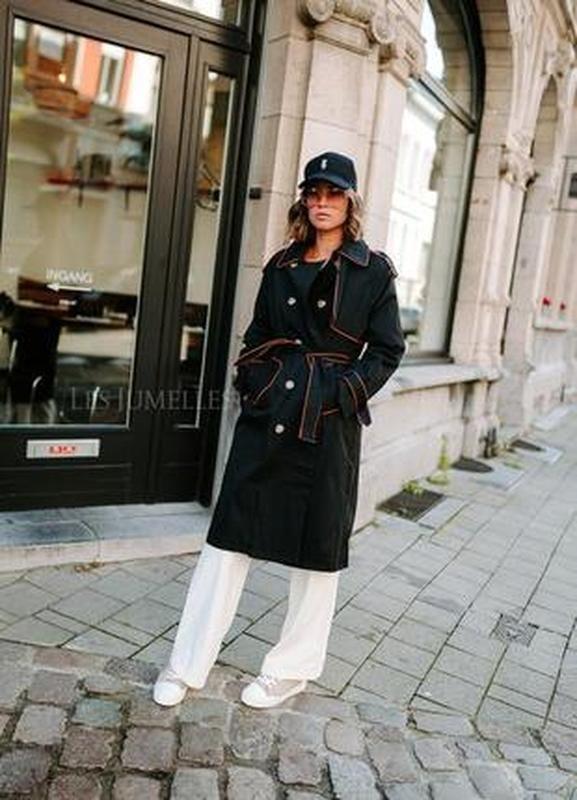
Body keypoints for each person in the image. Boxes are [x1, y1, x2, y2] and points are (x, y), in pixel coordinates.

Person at [153, 151, 406, 709]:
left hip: (327, 426)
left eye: (333, 194)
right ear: (304, 200)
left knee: (317, 552)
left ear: (350, 202)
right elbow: (255, 339)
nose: (322, 202)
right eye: (314, 192)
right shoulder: (281, 265)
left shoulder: (373, 271)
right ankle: (185, 664)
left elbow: (388, 350)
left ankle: (291, 670)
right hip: (267, 418)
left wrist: (341, 393)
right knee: (226, 539)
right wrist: (256, 385)